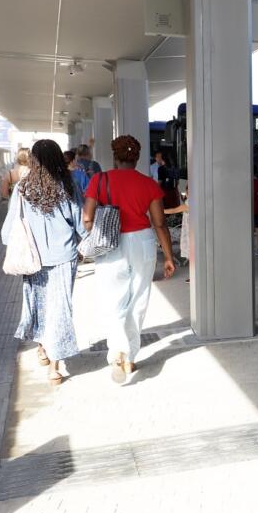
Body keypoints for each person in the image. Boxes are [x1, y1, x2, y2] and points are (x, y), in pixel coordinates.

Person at [83, 135, 177, 385]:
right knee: (138, 300)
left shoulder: (99, 180)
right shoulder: (148, 184)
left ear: (115, 157)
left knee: (113, 300)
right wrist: (169, 257)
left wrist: (98, 232)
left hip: (110, 242)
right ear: (137, 158)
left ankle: (117, 351)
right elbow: (159, 223)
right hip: (142, 242)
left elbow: (87, 218)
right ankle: (130, 357)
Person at [2, 139, 88, 386]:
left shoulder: (22, 188)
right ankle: (54, 367)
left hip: (33, 257)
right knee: (60, 308)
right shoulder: (68, 185)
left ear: (34, 160)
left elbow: (8, 231)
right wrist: (86, 243)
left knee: (38, 303)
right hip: (64, 257)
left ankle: (42, 347)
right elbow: (80, 223)